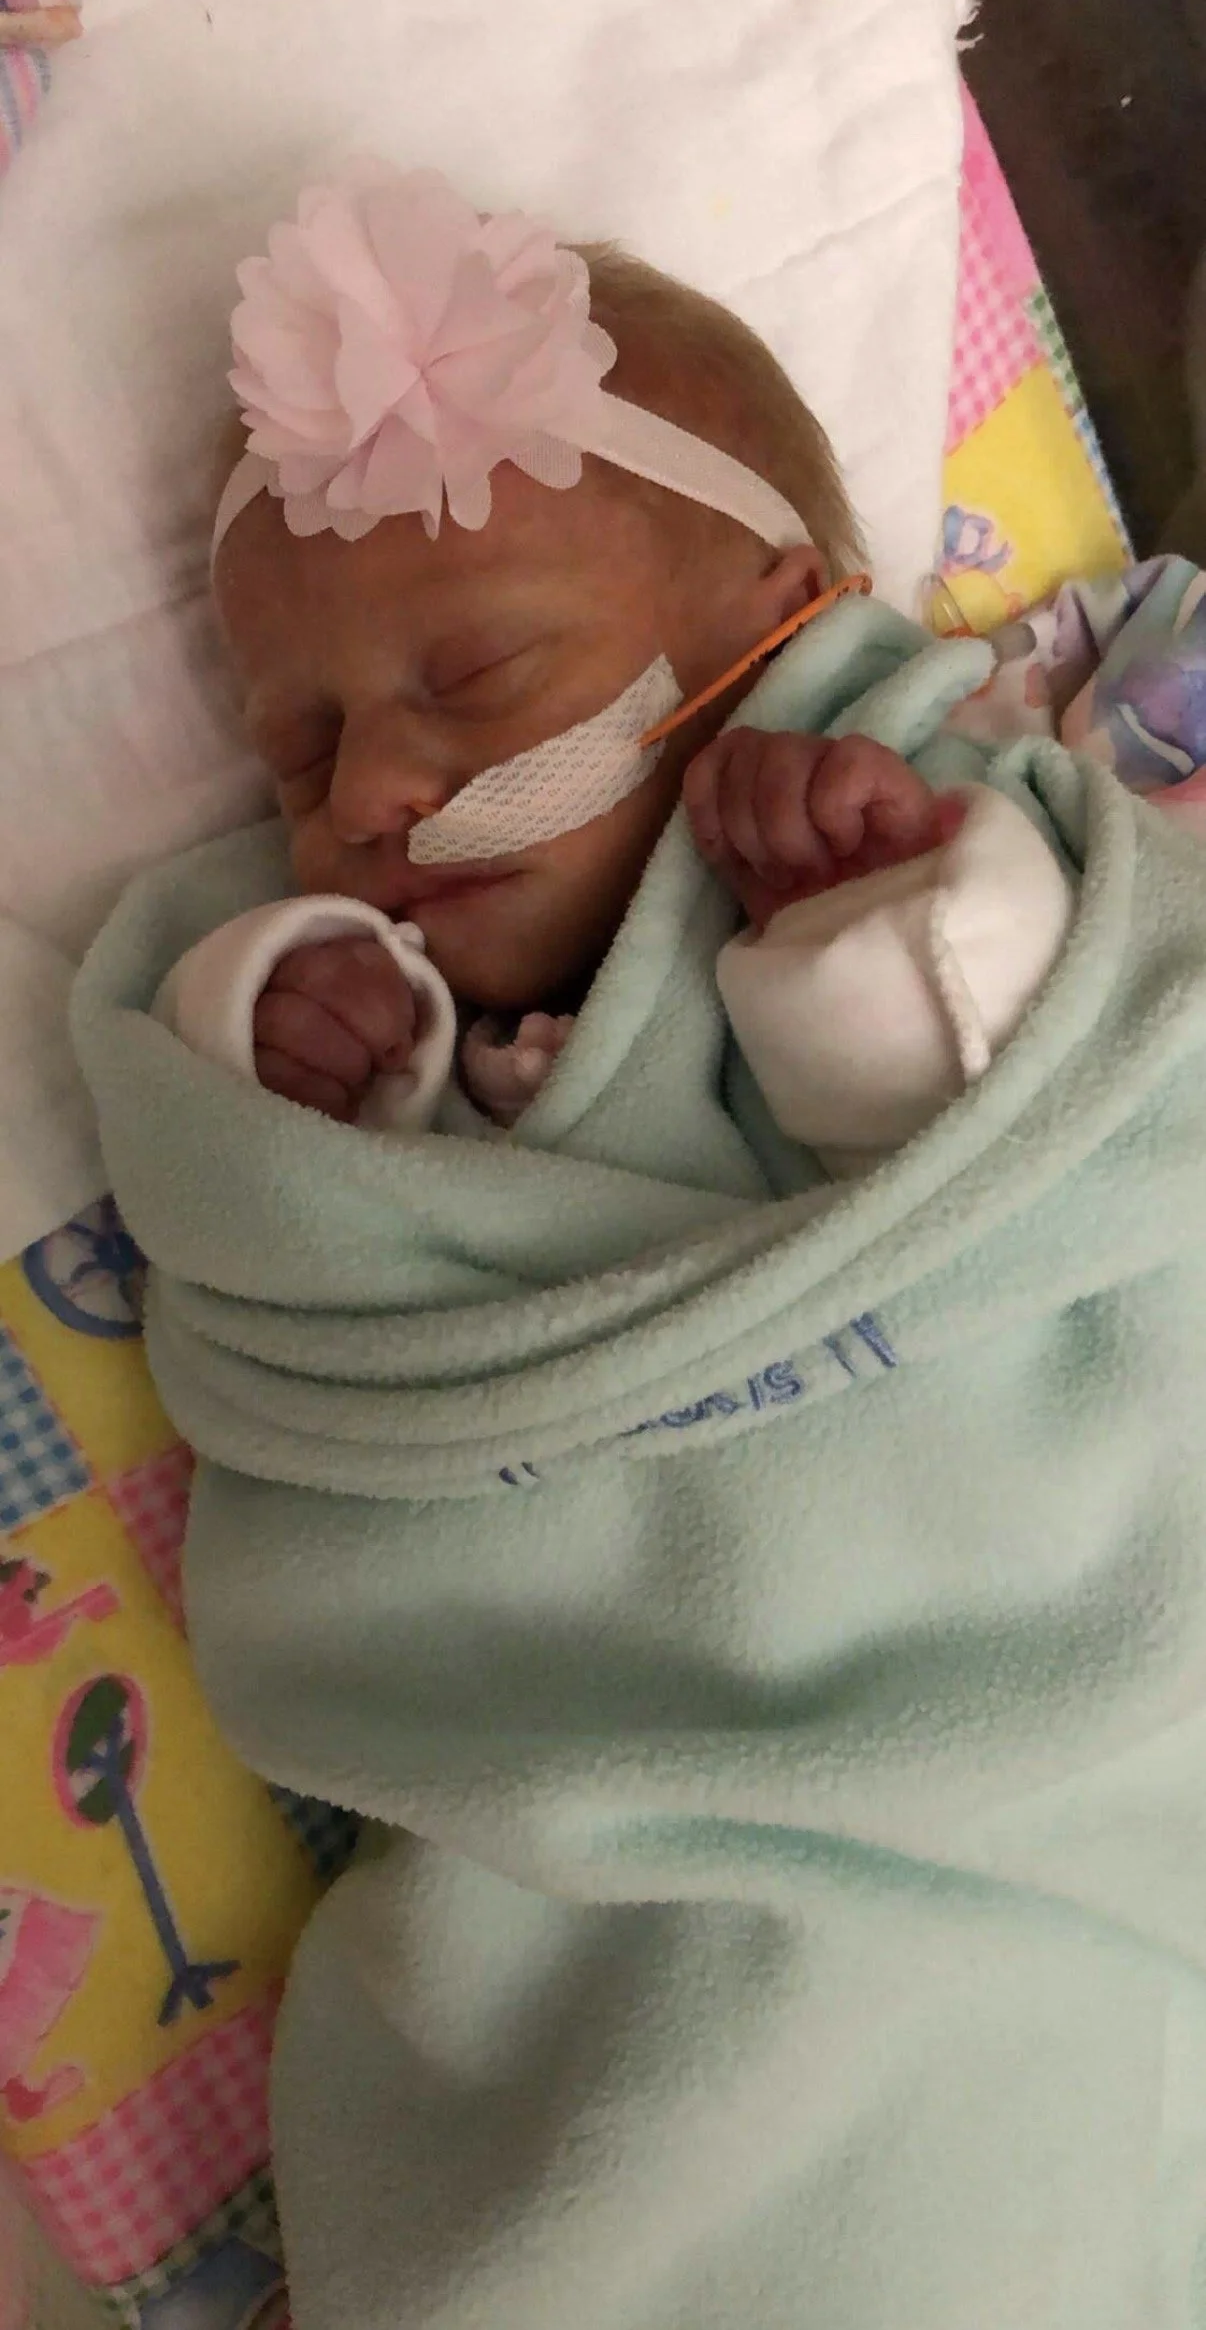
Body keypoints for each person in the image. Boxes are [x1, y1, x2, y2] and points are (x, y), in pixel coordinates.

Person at [73, 165, 1206, 2330]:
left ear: (777, 615)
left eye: (476, 676)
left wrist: (877, 928)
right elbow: (292, 1256)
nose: (377, 792)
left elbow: (1037, 1136)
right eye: (298, 750)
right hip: (591, 1885)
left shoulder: (943, 849)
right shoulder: (389, 1017)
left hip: (1008, 1774)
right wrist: (306, 1059)